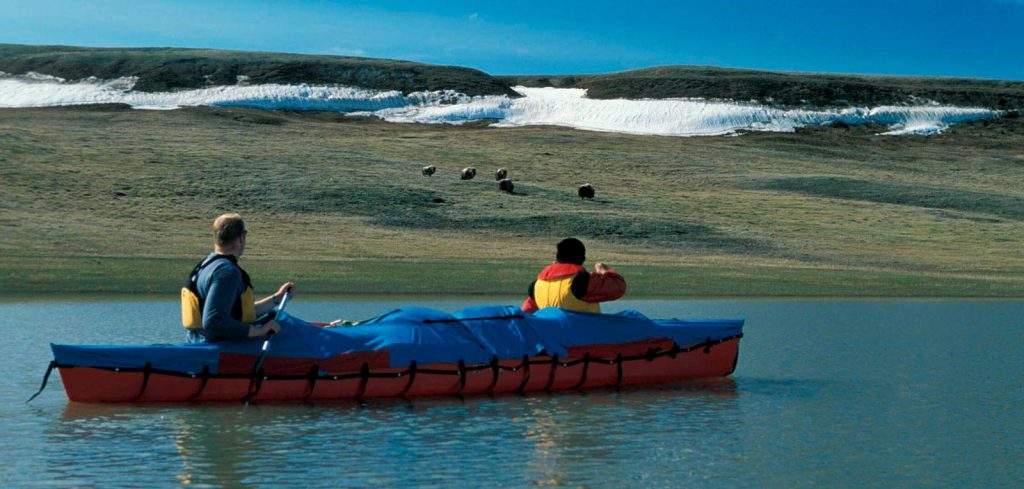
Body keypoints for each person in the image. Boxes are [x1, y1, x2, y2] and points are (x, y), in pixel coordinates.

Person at [180, 213, 293, 342]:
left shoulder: (207, 265)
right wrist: (259, 331)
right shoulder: (227, 272)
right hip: (222, 352)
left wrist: (277, 298)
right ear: (241, 238)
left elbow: (238, 312)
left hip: (198, 344)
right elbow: (214, 321)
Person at [521, 238, 626, 313]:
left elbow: (527, 310)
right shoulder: (581, 280)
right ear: (582, 258)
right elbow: (618, 288)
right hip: (581, 335)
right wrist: (604, 271)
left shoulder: (538, 284)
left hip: (553, 335)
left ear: (558, 257)